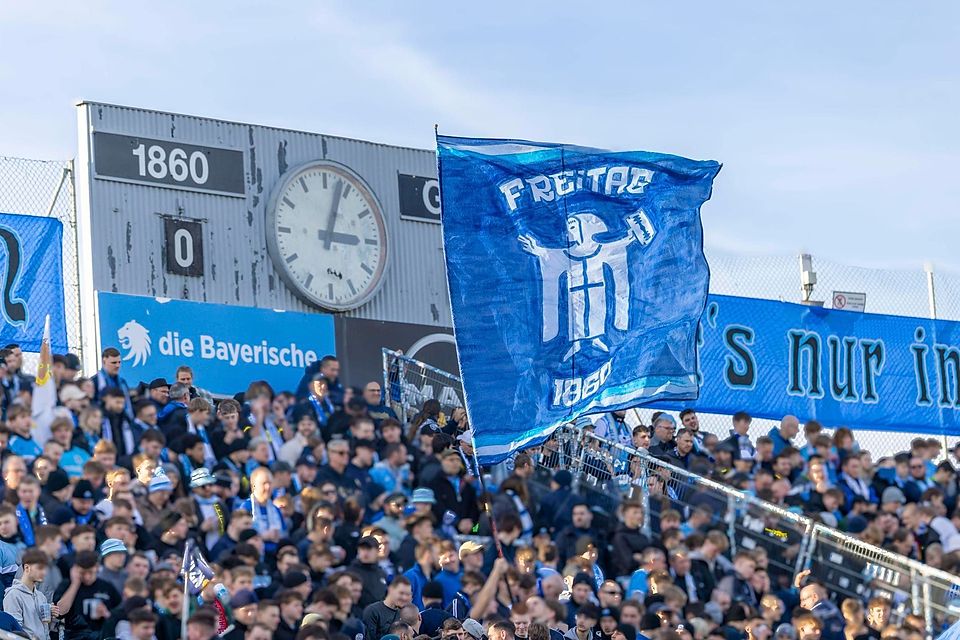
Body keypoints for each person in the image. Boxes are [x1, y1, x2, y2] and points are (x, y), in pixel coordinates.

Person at [53, 549, 122, 640]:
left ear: (97, 567)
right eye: (83, 573)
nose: (87, 577)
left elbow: (119, 615)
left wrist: (107, 614)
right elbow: (60, 612)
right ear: (76, 569)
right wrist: (75, 584)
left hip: (101, 635)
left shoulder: (106, 587)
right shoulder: (67, 585)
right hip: (75, 635)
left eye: (90, 572)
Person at [4, 548, 59, 640]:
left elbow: (45, 630)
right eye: (40, 568)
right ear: (26, 568)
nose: (44, 573)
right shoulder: (13, 595)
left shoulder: (41, 597)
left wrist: (49, 613)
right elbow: (14, 633)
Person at [362, 575, 413, 640]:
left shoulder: (405, 612)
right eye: (401, 593)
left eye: (407, 594)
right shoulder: (373, 611)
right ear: (390, 590)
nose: (404, 598)